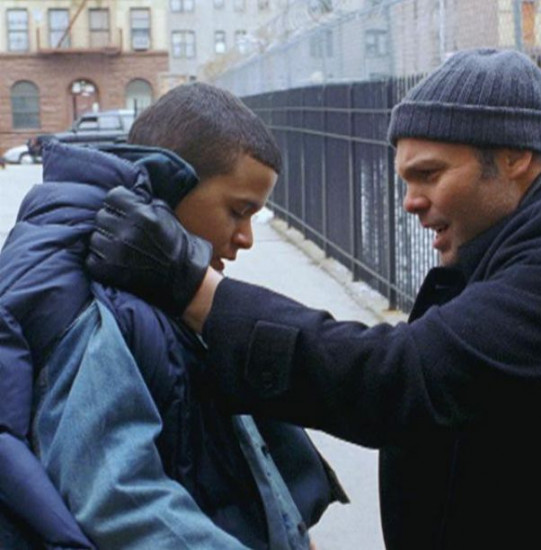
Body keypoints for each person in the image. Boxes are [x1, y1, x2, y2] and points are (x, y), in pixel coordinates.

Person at [87, 49, 541, 548]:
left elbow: (402, 376)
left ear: (515, 157)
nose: (410, 201)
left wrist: (191, 286)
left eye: (430, 174)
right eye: (406, 178)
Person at [0, 82, 345, 549]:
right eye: (237, 211)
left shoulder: (160, 286)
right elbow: (121, 500)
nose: (246, 237)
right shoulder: (97, 304)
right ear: (171, 190)